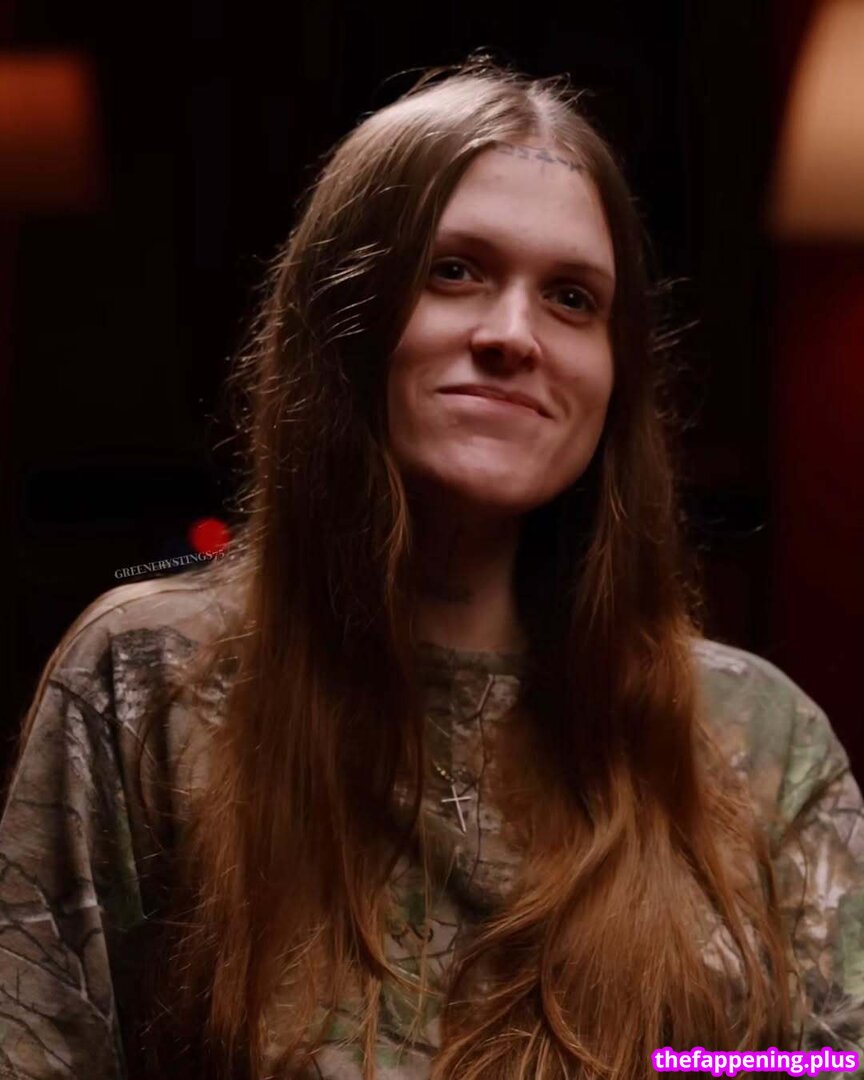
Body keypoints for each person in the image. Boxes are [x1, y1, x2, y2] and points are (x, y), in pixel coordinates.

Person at [1, 55, 863, 1080]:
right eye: (453, 271)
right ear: (344, 321)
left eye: (573, 298)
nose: (512, 336)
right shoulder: (146, 682)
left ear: (615, 378)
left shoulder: (759, 738)